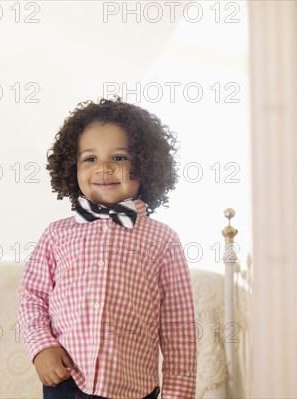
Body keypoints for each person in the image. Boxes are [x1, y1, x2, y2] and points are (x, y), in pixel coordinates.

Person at [17, 98, 197, 399]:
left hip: (134, 390)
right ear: (71, 166)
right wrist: (41, 347)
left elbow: (179, 330)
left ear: (145, 164)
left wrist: (177, 395)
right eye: (90, 159)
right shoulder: (57, 235)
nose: (104, 168)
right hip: (66, 384)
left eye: (119, 158)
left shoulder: (163, 241)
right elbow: (31, 298)